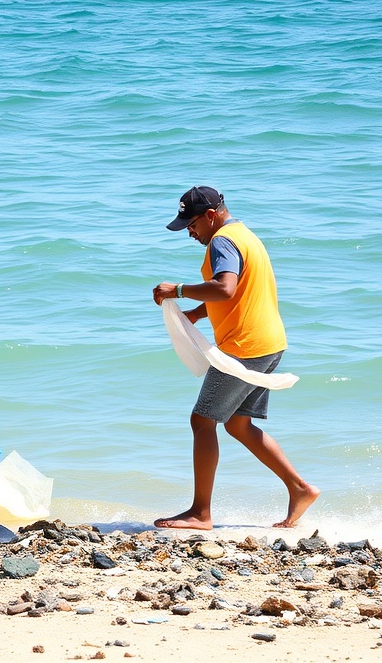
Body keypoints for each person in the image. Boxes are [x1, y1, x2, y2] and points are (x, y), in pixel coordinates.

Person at [152, 186, 319, 529]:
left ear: (211, 215)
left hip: (245, 347)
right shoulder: (243, 234)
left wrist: (178, 290)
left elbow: (225, 287)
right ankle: (300, 488)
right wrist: (199, 312)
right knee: (238, 424)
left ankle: (200, 513)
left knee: (202, 421)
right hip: (270, 341)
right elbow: (238, 291)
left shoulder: (221, 242)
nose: (189, 231)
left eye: (192, 223)